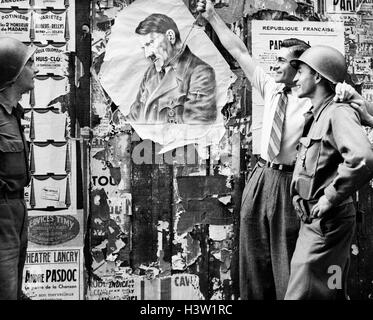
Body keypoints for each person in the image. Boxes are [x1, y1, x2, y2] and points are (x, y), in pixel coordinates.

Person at [196, 0, 359, 299]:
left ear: (300, 67)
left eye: (282, 61)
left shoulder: (319, 99)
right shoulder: (271, 88)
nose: (275, 65)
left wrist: (348, 93)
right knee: (253, 258)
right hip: (261, 178)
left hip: (292, 183)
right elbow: (239, 51)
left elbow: (359, 120)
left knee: (288, 262)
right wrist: (212, 16)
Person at [285, 45, 373, 299]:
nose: (296, 78)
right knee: (328, 289)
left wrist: (330, 196)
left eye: (300, 71)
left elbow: (363, 158)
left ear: (317, 77)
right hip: (317, 222)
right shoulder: (319, 114)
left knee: (302, 294)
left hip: (327, 223)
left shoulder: (338, 112)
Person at [125, 13, 217, 124]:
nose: (147, 54)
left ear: (170, 37)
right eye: (144, 48)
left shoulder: (200, 73)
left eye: (149, 44)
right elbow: (135, 117)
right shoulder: (151, 72)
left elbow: (196, 128)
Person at [0, 37, 38, 300]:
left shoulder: (14, 114)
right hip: (1, 216)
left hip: (16, 213)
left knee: (13, 289)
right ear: (12, 74)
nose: (35, 69)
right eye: (29, 63)